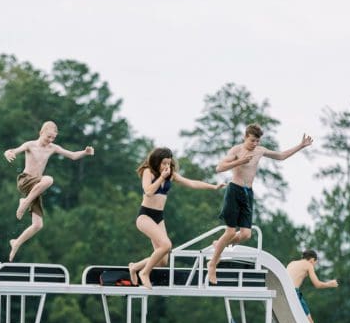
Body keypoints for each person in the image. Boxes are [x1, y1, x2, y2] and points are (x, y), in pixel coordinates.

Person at [207, 124, 313, 284]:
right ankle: (212, 264)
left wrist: (300, 146)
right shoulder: (236, 151)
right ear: (245, 137)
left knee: (246, 235)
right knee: (229, 232)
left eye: (257, 141)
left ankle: (220, 244)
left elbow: (281, 156)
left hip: (248, 193)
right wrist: (239, 161)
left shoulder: (260, 151)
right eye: (252, 141)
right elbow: (219, 168)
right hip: (234, 190)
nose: (254, 144)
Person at [128, 147, 225, 289]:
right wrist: (161, 177)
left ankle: (135, 267)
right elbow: (148, 192)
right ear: (156, 162)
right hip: (145, 216)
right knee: (166, 245)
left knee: (162, 262)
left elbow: (192, 183)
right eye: (164, 163)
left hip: (158, 217)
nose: (167, 166)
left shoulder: (170, 174)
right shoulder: (148, 172)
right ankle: (144, 272)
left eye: (169, 163)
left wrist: (213, 187)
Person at [4, 120, 95, 262]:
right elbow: (12, 150)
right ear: (41, 133)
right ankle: (24, 203)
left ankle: (16, 242)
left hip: (36, 188)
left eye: (53, 138)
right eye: (48, 137)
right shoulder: (30, 145)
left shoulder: (53, 148)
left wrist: (85, 152)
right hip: (25, 181)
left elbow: (72, 155)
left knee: (38, 225)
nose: (50, 140)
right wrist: (7, 154)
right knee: (49, 180)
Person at [286, 249, 338, 323]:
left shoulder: (292, 263)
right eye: (315, 263)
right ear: (312, 260)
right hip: (294, 292)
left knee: (304, 320)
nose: (314, 266)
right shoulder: (308, 265)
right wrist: (330, 284)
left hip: (285, 290)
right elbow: (317, 284)